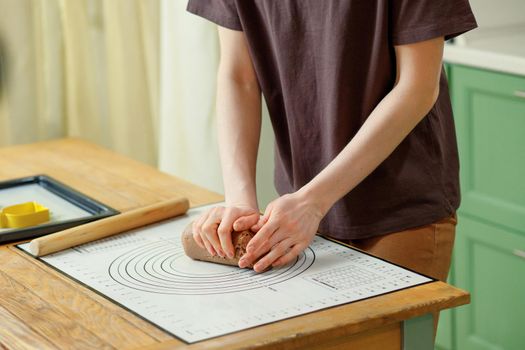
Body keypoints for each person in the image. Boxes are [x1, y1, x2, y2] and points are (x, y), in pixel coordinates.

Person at [186, 0, 476, 314]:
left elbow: (417, 86)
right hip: (297, 210)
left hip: (397, 206)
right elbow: (239, 76)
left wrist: (313, 201)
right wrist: (240, 201)